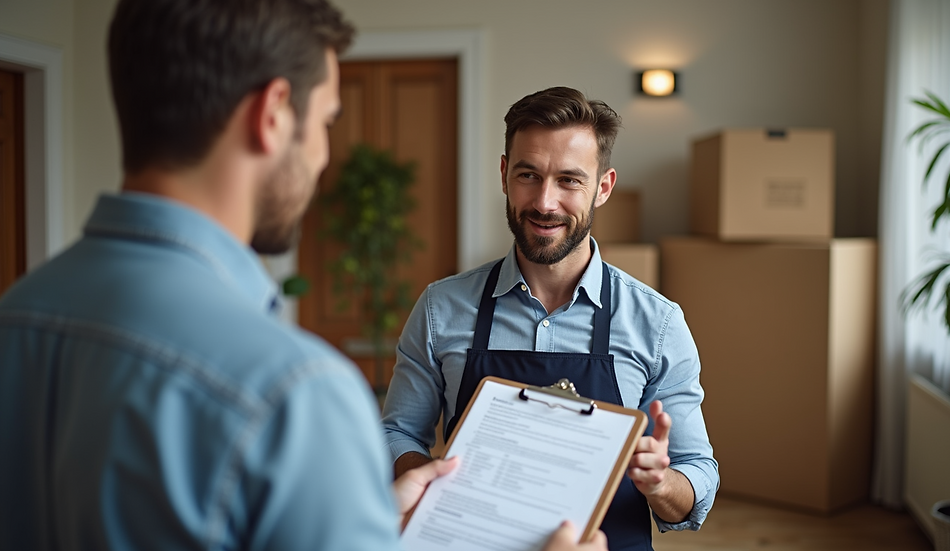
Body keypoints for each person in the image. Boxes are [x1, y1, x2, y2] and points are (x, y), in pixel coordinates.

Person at [0, 1, 607, 549]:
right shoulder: (294, 392)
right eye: (325, 123)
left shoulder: (16, 314)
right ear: (271, 116)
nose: (321, 158)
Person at [381, 86, 720, 551]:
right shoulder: (442, 308)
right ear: (504, 175)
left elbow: (696, 476)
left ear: (603, 187)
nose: (544, 202)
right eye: (528, 174)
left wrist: (659, 483)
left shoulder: (657, 324)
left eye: (569, 180)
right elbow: (398, 432)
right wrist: (431, 483)